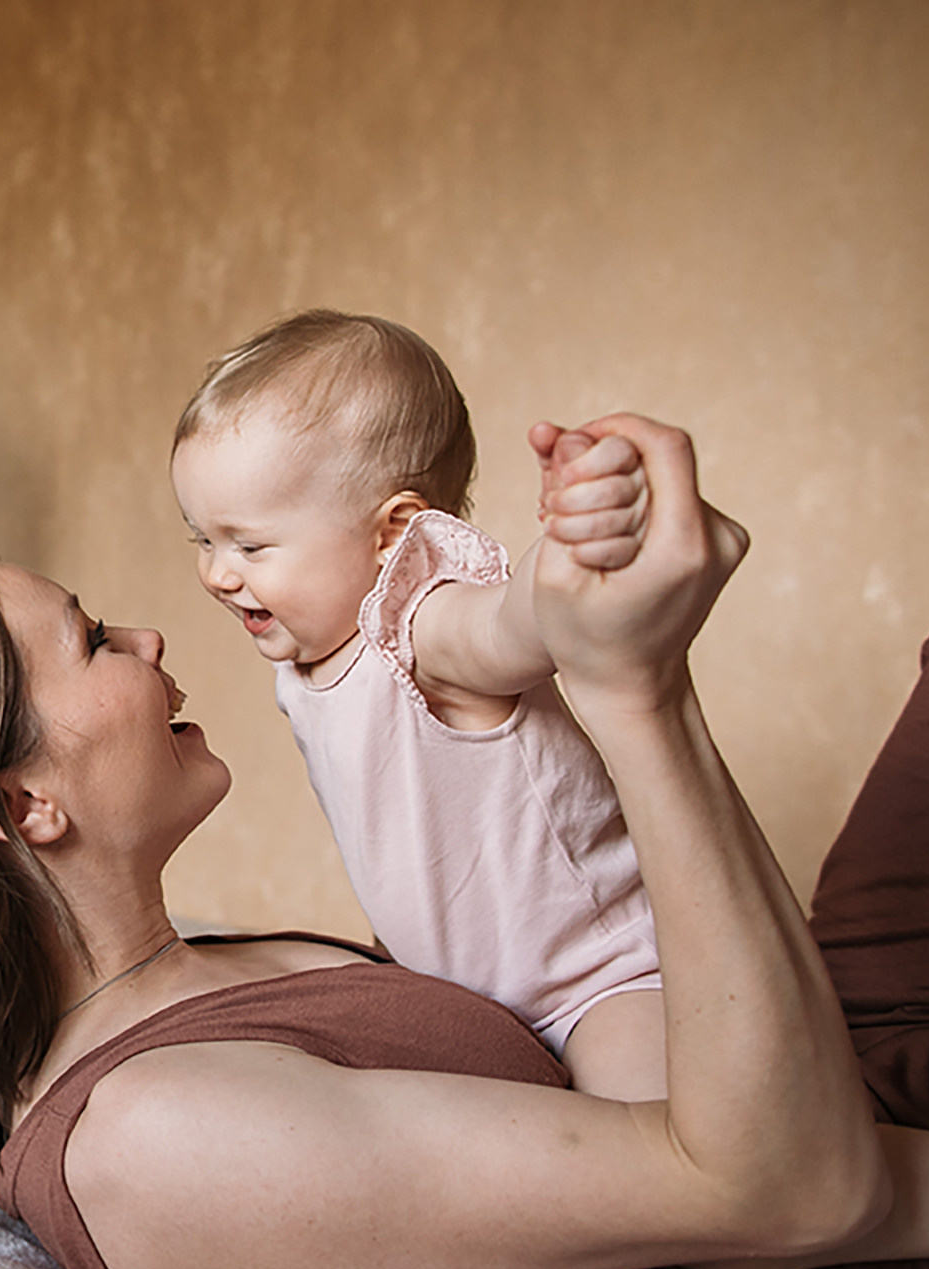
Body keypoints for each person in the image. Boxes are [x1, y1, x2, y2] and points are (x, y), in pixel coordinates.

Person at [0, 417, 929, 1269]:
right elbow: (789, 1188)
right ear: (19, 804)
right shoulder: (156, 1140)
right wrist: (636, 692)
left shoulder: (187, 973)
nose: (145, 635)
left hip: (832, 1050)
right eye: (90, 640)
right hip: (877, 1231)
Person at [170, 309, 669, 1100]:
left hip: (603, 984)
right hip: (480, 1003)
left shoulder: (425, 625)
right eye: (203, 539)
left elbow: (521, 624)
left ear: (392, 533)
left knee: (648, 1146)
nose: (218, 575)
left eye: (250, 545)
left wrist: (575, 551)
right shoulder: (308, 662)